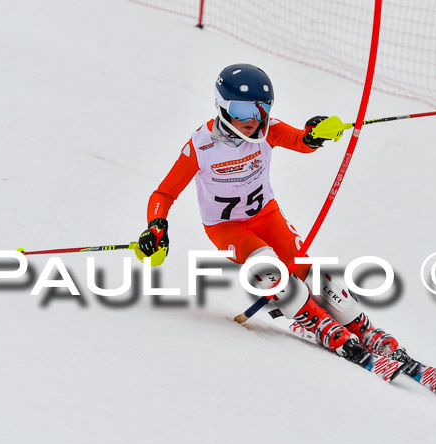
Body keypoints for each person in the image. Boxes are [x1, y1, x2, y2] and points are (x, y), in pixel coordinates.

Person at [137, 63, 404, 364]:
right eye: (241, 110)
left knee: (305, 269)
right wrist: (156, 225)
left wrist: (316, 134)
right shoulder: (201, 146)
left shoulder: (268, 130)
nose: (252, 119)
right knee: (267, 266)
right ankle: (320, 324)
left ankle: (361, 327)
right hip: (227, 227)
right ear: (222, 106)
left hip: (267, 215)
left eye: (261, 108)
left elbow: (301, 142)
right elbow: (164, 194)